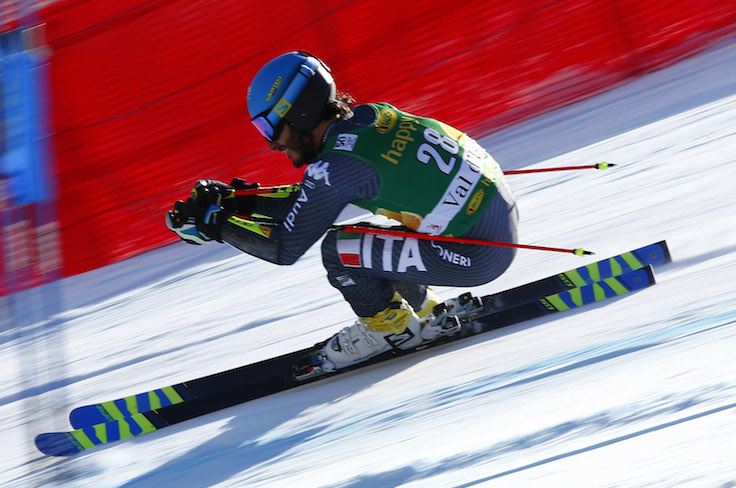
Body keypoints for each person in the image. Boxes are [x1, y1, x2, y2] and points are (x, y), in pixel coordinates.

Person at [166, 51, 518, 374]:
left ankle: (392, 331)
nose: (271, 143)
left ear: (298, 113)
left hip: (477, 253)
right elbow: (311, 201)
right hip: (496, 223)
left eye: (269, 128)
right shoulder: (369, 117)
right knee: (365, 240)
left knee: (340, 250)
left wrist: (217, 224)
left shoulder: (337, 167)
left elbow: (283, 247)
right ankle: (426, 309)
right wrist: (239, 201)